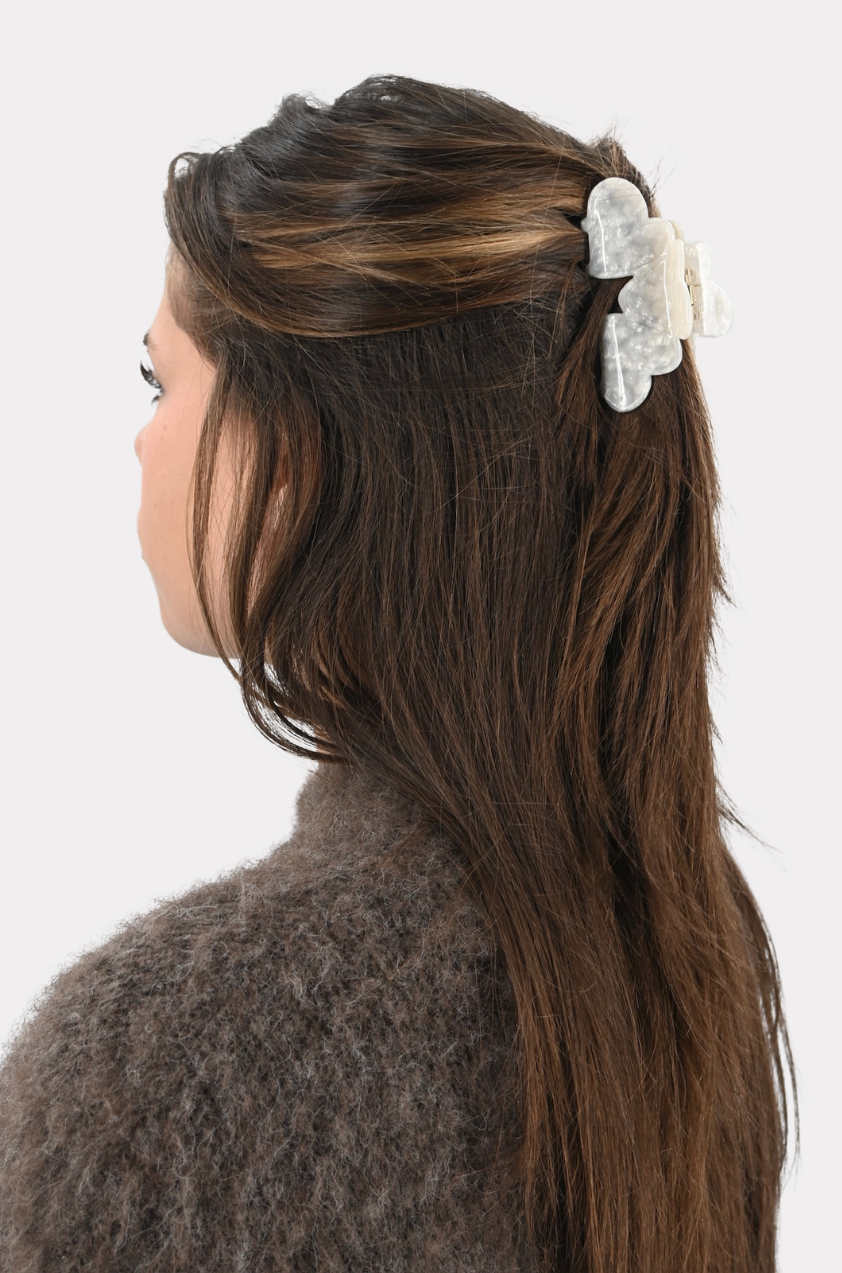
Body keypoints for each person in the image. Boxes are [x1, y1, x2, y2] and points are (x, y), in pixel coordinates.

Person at [0, 75, 795, 1273]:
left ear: (294, 458)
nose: (142, 437)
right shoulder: (683, 950)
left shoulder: (161, 1066)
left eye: (160, 382)